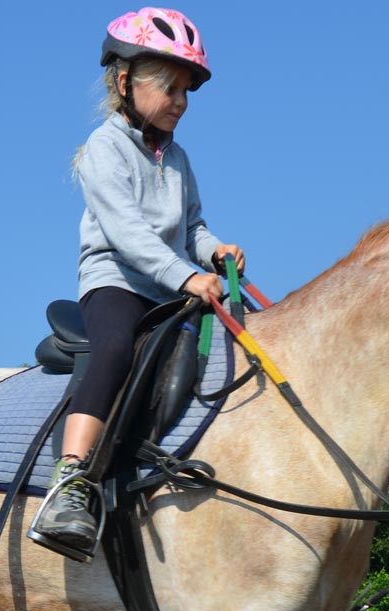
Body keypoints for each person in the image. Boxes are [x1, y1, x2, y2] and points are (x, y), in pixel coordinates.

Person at [28, 6, 245, 559]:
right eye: (170, 87)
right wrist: (188, 275)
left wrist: (214, 251)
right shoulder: (105, 147)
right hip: (116, 282)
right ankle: (70, 480)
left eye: (187, 91)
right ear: (125, 82)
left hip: (170, 287)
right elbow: (127, 232)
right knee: (116, 348)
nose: (181, 101)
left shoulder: (178, 158)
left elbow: (190, 226)